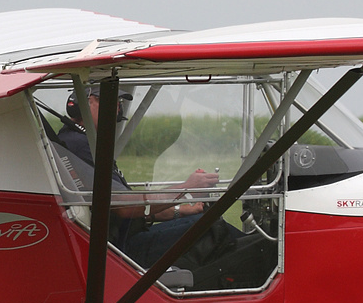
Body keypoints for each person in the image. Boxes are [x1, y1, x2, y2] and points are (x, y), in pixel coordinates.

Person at [56, 90, 232, 268]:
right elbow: (123, 206)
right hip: (119, 250)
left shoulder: (81, 141)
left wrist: (182, 210)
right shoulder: (78, 145)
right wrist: (186, 187)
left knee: (204, 220)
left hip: (124, 236)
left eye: (117, 102)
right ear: (79, 106)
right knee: (214, 229)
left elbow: (128, 207)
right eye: (106, 100)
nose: (117, 107)